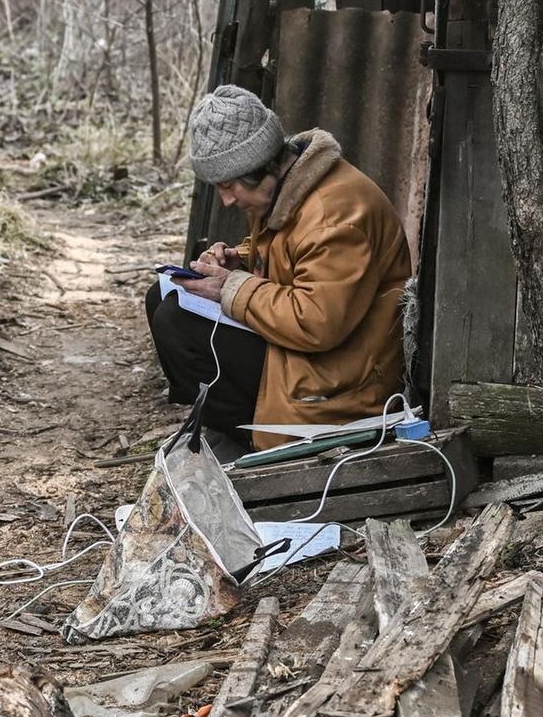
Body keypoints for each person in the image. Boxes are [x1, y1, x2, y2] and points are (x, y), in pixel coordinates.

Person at [145, 85, 413, 451]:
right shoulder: (293, 186)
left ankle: (251, 438)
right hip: (315, 352)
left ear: (263, 166)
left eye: (229, 185)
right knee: (160, 298)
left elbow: (317, 322)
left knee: (177, 323)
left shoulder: (334, 216)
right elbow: (295, 255)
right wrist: (241, 258)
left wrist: (231, 288)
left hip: (344, 381)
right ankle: (234, 427)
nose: (226, 201)